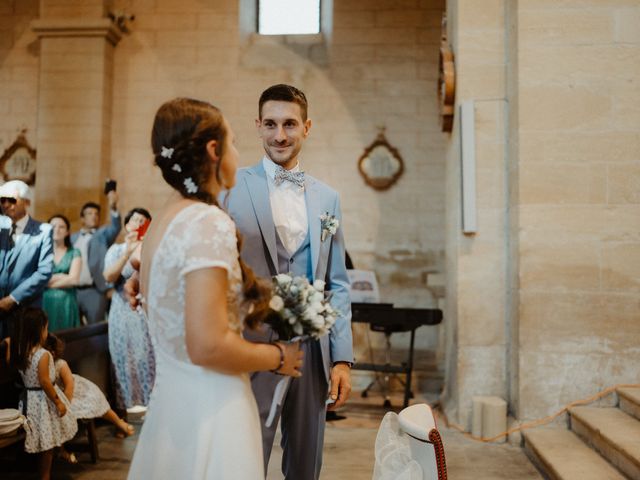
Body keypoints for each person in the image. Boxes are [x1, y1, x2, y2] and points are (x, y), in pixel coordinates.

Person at [127, 97, 304, 479]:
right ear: (213, 150)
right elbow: (207, 345)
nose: (238, 152)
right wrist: (277, 357)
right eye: (234, 141)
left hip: (173, 403)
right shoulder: (207, 221)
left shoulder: (164, 219)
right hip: (212, 405)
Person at [222, 84, 354, 479]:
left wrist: (342, 358)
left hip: (312, 350)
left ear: (307, 127)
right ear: (258, 127)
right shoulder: (231, 190)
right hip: (252, 342)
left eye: (290, 124)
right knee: (248, 450)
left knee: (306, 458)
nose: (280, 135)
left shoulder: (328, 198)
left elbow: (337, 282)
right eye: (271, 124)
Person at [9, 308, 77, 480]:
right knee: (47, 446)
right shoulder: (43, 354)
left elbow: (12, 363)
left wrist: (9, 344)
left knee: (44, 439)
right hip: (43, 402)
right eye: (46, 328)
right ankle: (44, 476)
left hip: (29, 401)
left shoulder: (21, 353)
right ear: (38, 330)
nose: (47, 332)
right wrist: (58, 402)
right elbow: (45, 381)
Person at [103, 208, 155, 412]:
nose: (138, 223)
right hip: (121, 311)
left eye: (144, 221)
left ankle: (151, 410)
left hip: (144, 310)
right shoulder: (116, 250)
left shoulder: (150, 249)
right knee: (123, 359)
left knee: (146, 359)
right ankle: (127, 412)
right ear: (127, 225)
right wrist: (127, 251)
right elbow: (108, 277)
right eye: (135, 219)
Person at [44, 333, 134, 442]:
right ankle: (61, 449)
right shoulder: (43, 368)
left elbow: (69, 386)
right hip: (58, 397)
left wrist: (66, 403)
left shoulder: (60, 364)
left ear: (53, 353)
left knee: (100, 404)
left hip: (78, 392)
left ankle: (119, 423)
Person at [0, 180, 54, 338]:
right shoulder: (2, 227)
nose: (6, 204)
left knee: (21, 359)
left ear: (27, 202)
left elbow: (44, 271)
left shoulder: (43, 231)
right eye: (2, 200)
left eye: (12, 200)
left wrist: (12, 299)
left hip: (24, 308)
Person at [71, 192, 121, 324]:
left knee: (95, 330)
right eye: (89, 213)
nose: (93, 216)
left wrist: (113, 207)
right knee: (72, 330)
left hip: (95, 291)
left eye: (96, 214)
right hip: (73, 291)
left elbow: (116, 227)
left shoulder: (103, 235)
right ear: (82, 218)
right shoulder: (72, 238)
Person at [42, 215, 81, 331]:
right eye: (53, 226)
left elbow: (74, 279)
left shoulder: (74, 252)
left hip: (66, 303)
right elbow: (37, 279)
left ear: (67, 232)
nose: (57, 229)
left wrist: (47, 281)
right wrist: (63, 276)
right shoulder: (41, 252)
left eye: (61, 227)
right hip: (45, 303)